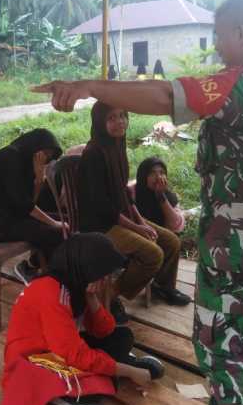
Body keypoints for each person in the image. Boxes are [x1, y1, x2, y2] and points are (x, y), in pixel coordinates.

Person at [33, 0, 243, 405]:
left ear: (241, 31)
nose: (217, 46)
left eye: (219, 36)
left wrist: (89, 87)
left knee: (224, 342)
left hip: (239, 247)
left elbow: (167, 97)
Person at [0, 233, 164, 405]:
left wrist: (91, 298)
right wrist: (130, 371)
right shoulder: (50, 293)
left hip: (59, 346)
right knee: (98, 389)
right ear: (85, 269)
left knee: (121, 337)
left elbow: (104, 330)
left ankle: (116, 369)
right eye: (102, 273)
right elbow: (72, 354)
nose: (107, 278)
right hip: (35, 359)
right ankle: (62, 393)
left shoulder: (73, 283)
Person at [78, 102, 192, 324]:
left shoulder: (117, 144)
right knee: (153, 254)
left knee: (170, 241)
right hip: (100, 225)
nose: (120, 122)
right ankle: (110, 295)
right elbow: (103, 207)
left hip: (121, 216)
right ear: (100, 122)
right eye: (112, 118)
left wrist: (140, 220)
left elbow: (123, 192)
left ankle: (162, 286)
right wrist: (136, 227)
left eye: (123, 116)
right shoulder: (93, 154)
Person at [0, 128, 66, 285]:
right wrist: (53, 223)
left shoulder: (28, 161)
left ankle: (34, 265)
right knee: (55, 230)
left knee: (66, 221)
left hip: (15, 215)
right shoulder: (9, 157)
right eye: (44, 153)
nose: (45, 159)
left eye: (48, 157)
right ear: (35, 146)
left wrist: (39, 180)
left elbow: (32, 202)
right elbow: (24, 204)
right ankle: (41, 274)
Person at [131, 156, 185, 234]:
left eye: (162, 173)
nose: (158, 177)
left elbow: (175, 227)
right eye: (152, 173)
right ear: (143, 176)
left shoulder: (167, 195)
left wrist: (160, 196)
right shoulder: (132, 193)